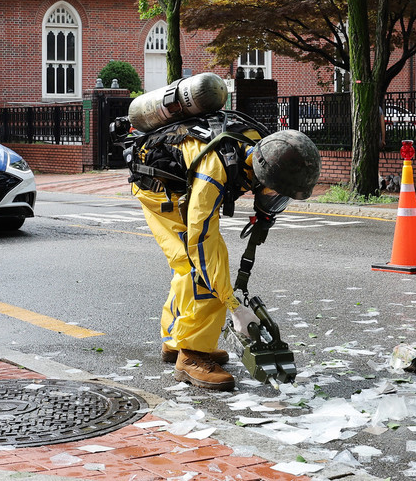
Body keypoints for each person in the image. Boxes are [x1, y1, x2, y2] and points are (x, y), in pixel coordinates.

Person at [130, 117, 321, 390]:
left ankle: (176, 341)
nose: (275, 199)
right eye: (276, 193)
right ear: (261, 174)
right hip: (161, 191)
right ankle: (191, 355)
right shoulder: (214, 172)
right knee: (202, 268)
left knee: (193, 266)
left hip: (185, 183)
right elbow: (201, 241)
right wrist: (234, 306)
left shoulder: (262, 149)